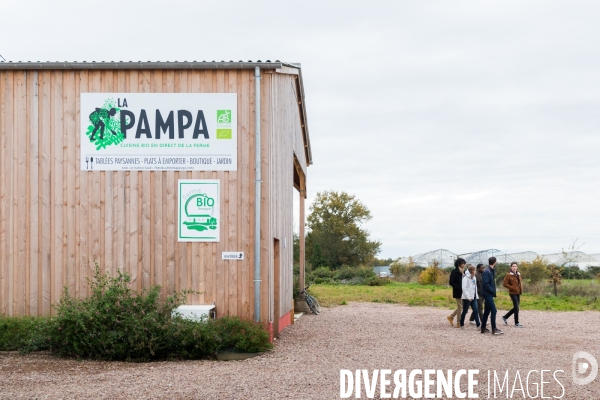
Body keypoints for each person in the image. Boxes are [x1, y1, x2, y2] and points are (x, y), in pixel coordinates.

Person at [481, 256, 503, 335]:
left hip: (488, 293)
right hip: (487, 294)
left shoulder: (490, 270)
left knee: (487, 311)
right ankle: (494, 329)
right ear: (495, 262)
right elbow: (485, 284)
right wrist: (492, 290)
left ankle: (483, 328)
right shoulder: (487, 271)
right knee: (494, 310)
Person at [502, 261, 524, 327]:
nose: (514, 267)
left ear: (517, 267)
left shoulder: (519, 274)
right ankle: (516, 323)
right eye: (513, 266)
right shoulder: (508, 275)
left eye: (515, 266)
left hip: (518, 292)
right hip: (512, 293)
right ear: (511, 267)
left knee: (516, 308)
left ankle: (505, 317)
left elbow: (520, 282)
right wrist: (512, 287)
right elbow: (504, 283)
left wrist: (521, 288)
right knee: (516, 308)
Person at [460, 265, 481, 329]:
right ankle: (462, 324)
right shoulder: (465, 278)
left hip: (473, 297)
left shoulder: (474, 277)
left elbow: (475, 287)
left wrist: (475, 295)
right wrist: (468, 297)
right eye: (474, 270)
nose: (475, 271)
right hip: (467, 298)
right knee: (465, 311)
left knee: (475, 310)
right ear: (471, 271)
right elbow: (464, 288)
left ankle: (478, 325)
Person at [447, 258, 465, 328]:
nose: (464, 265)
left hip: (463, 291)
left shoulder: (464, 272)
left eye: (464, 263)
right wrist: (457, 287)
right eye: (463, 263)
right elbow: (451, 282)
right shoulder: (454, 271)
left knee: (461, 306)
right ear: (459, 264)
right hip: (458, 291)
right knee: (460, 307)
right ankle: (458, 322)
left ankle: (451, 316)